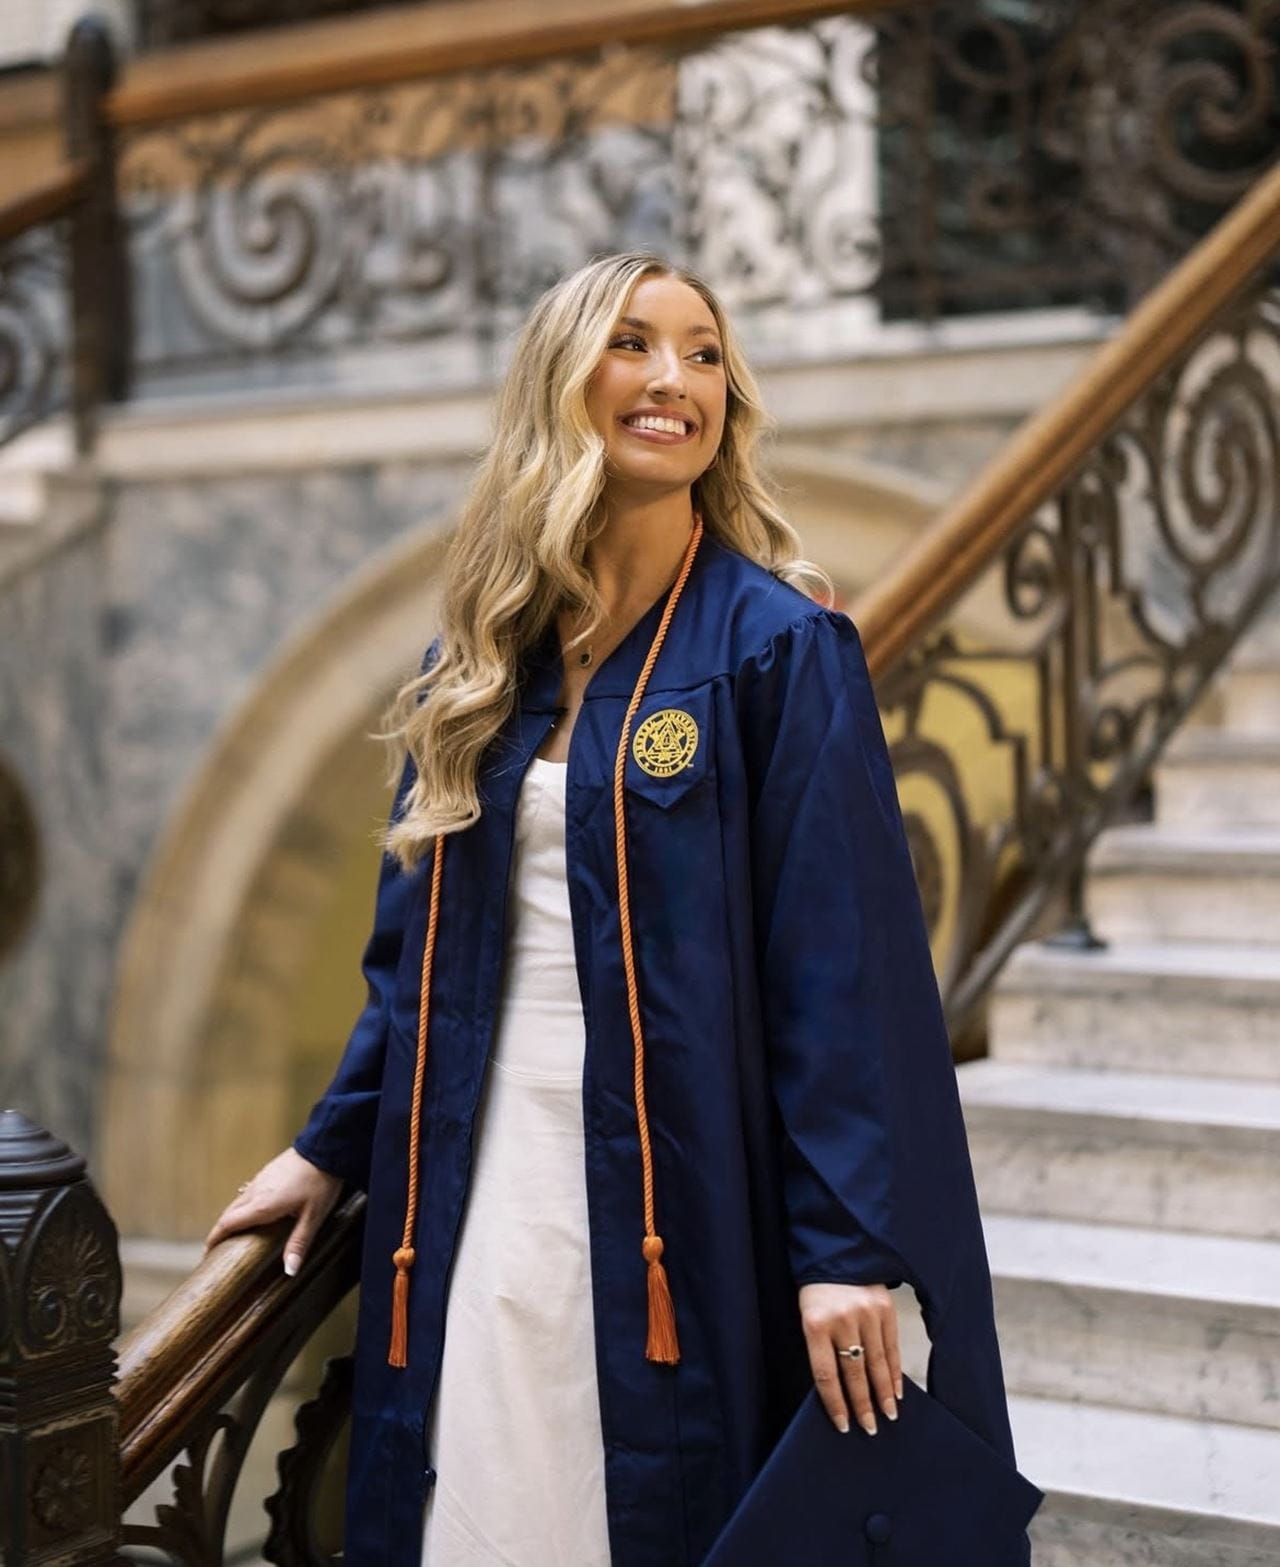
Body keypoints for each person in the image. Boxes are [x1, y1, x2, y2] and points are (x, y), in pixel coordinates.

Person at [205, 251, 1030, 1567]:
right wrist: (329, 1148)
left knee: (644, 1498)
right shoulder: (475, 669)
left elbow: (842, 978)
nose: (675, 381)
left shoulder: (775, 650)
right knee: (485, 1492)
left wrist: (847, 1248)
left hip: (684, 1188)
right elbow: (413, 965)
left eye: (704, 353)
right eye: (636, 345)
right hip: (480, 1181)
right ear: (561, 382)